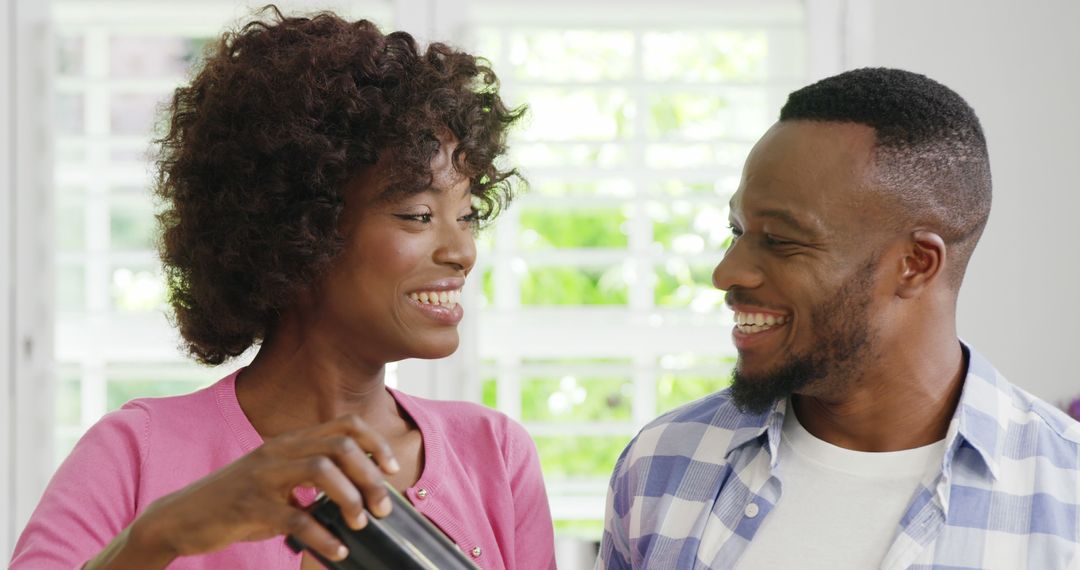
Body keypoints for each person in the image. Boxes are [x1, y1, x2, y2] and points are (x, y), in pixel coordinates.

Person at [11, 7, 555, 570]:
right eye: (419, 215)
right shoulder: (137, 452)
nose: (462, 252)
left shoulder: (494, 455)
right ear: (301, 231)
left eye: (467, 216)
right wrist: (157, 537)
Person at [598, 67, 1080, 569]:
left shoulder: (1067, 495)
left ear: (916, 264)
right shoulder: (663, 464)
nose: (727, 272)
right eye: (736, 229)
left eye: (781, 240)